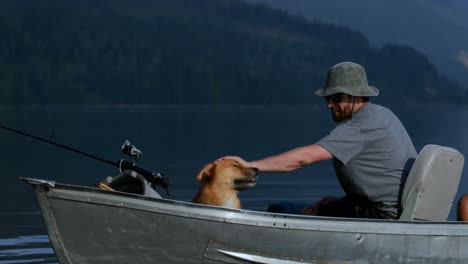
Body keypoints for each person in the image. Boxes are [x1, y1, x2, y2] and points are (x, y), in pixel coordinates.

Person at [219, 61, 417, 219]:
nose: (330, 105)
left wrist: (249, 166)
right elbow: (384, 182)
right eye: (327, 98)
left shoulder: (360, 126)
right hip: (386, 212)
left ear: (357, 97)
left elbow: (303, 158)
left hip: (380, 219)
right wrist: (343, 203)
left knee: (280, 210)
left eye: (337, 98)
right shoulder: (383, 115)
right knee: (313, 208)